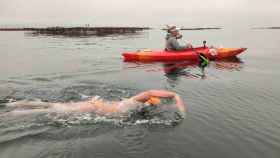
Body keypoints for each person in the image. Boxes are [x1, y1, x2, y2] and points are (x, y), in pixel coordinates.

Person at [5, 90, 187, 117]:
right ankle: (9, 112)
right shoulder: (134, 103)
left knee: (52, 105)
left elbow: (150, 95)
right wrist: (176, 95)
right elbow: (149, 93)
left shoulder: (131, 105)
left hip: (95, 105)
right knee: (54, 108)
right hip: (93, 107)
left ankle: (13, 104)